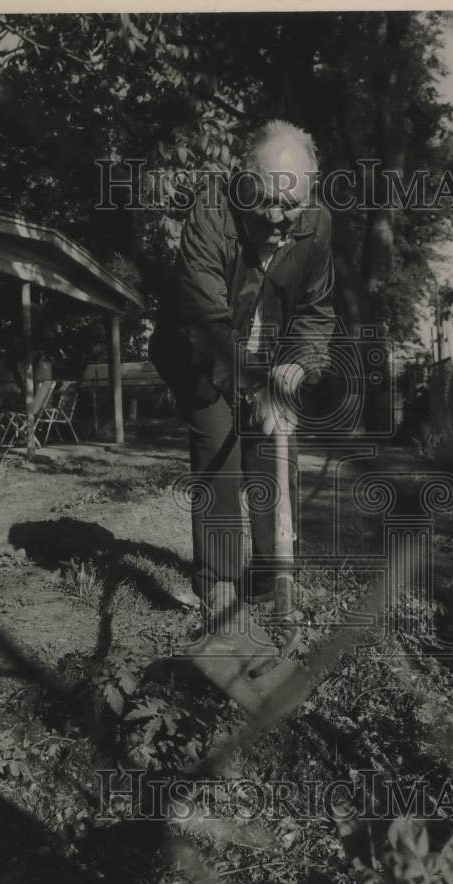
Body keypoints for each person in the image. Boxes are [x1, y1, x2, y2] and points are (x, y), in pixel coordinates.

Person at [150, 120, 335, 628]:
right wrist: (253, 385)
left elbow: (315, 311)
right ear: (243, 180)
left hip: (271, 355)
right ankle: (219, 584)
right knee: (221, 451)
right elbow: (205, 322)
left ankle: (271, 581)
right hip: (199, 353)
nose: (279, 217)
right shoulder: (210, 215)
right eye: (267, 200)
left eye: (291, 204)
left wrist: (296, 366)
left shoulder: (316, 224)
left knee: (274, 457)